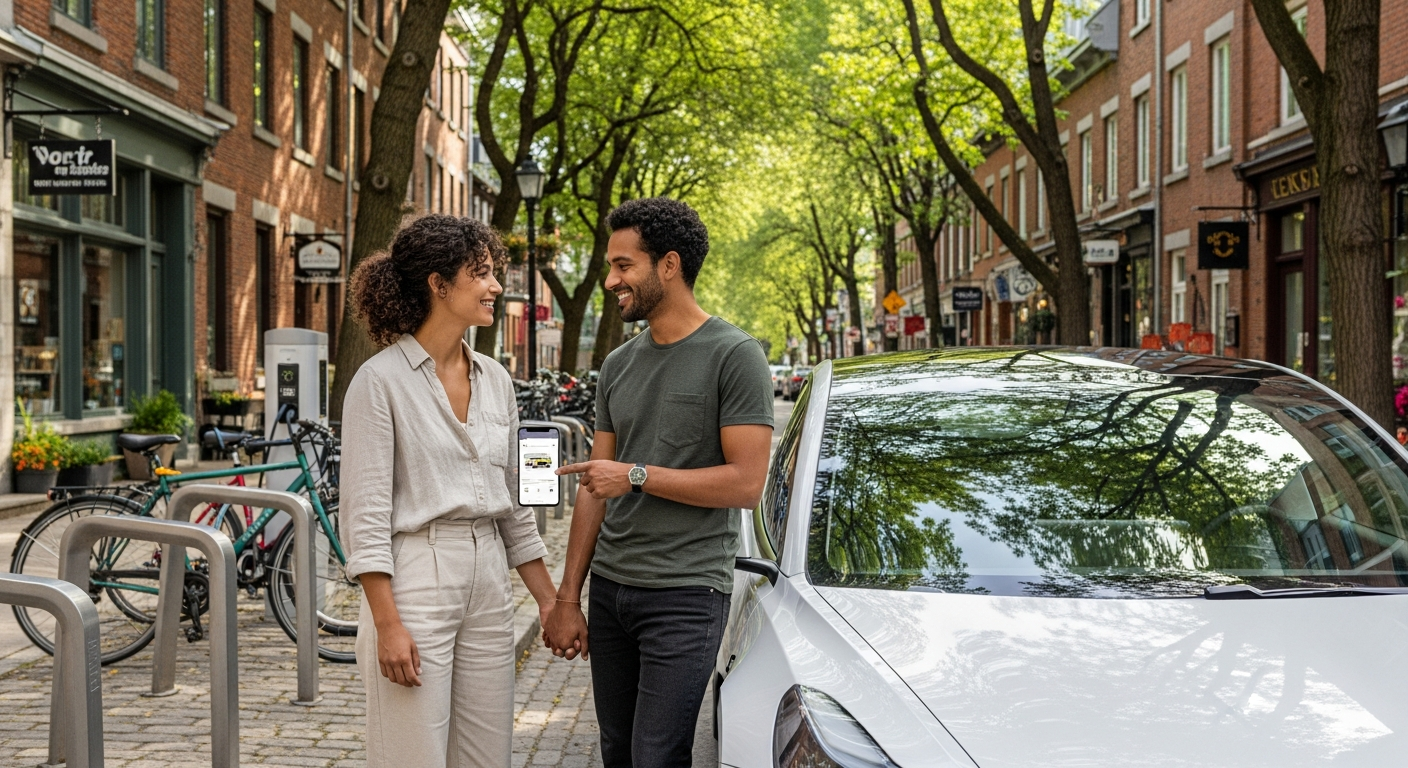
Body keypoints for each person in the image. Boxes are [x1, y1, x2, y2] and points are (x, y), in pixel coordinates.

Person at [547, 197, 774, 766]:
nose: (610, 280)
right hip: (611, 589)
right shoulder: (618, 366)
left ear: (668, 266)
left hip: (687, 591)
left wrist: (638, 476)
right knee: (618, 750)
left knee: (657, 755)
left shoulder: (735, 355)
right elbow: (595, 487)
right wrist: (567, 597)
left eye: (624, 266)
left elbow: (747, 483)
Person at [340, 214, 558, 768]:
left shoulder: (496, 379)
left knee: (489, 756)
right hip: (416, 578)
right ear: (439, 284)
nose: (494, 286)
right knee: (411, 754)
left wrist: (550, 600)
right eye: (480, 274)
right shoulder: (379, 382)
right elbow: (364, 517)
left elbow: (513, 504)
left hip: (489, 581)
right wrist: (387, 623)